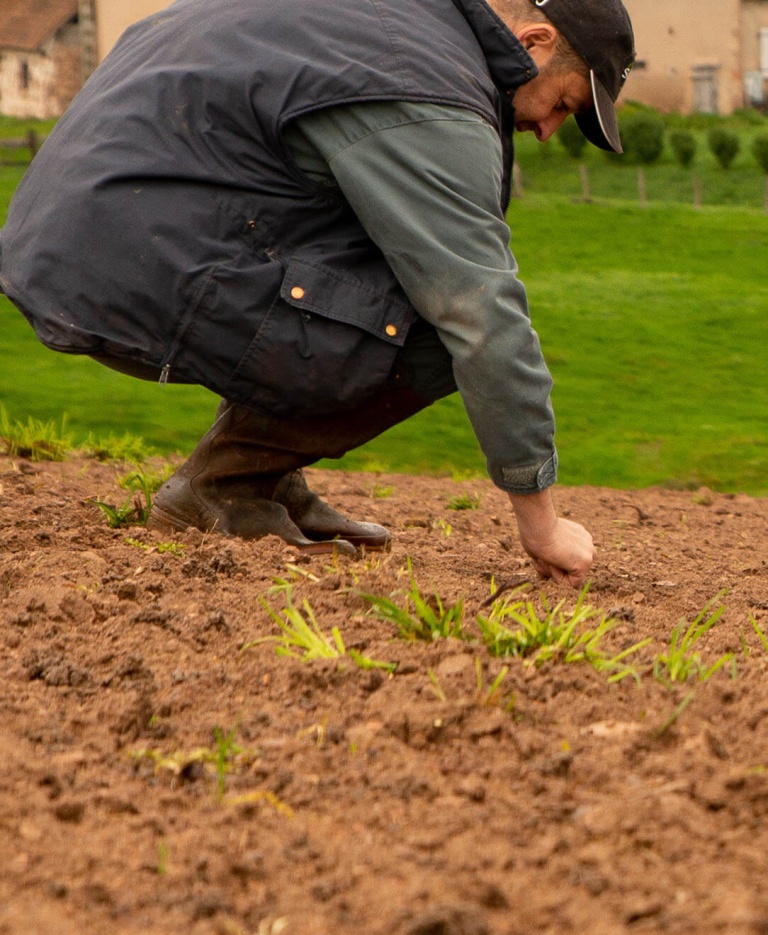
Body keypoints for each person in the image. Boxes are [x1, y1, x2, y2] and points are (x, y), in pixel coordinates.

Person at [0, 0, 634, 587]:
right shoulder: (424, 86)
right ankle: (225, 484)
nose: (549, 129)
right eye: (564, 103)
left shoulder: (401, 23)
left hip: (74, 227)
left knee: (386, 261)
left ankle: (259, 479)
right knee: (439, 324)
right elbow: (479, 309)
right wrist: (541, 520)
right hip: (120, 255)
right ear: (536, 42)